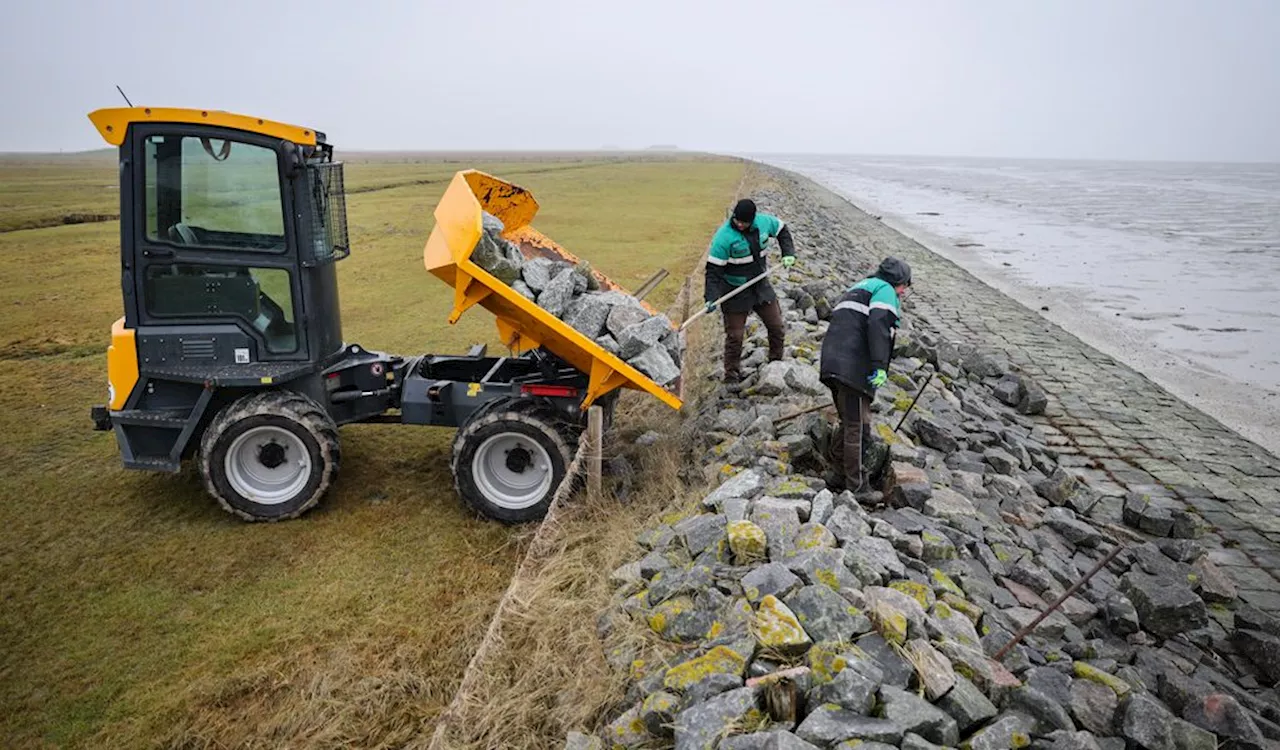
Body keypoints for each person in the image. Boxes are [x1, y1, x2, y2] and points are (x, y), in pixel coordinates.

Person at [818, 256, 913, 493]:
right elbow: (879, 326)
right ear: (898, 282)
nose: (904, 292)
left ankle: (837, 474)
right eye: (904, 286)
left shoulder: (860, 287)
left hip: (832, 362)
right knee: (858, 426)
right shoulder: (885, 291)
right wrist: (879, 366)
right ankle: (858, 486)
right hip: (852, 365)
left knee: (850, 421)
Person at [704, 198, 796, 384]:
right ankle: (731, 374)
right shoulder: (723, 237)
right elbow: (713, 272)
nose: (739, 224)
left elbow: (782, 231)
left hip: (760, 284)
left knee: (776, 326)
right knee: (735, 336)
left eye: (744, 222)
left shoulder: (764, 222)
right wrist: (711, 297)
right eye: (737, 220)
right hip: (734, 290)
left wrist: (788, 253)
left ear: (752, 219)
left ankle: (775, 363)